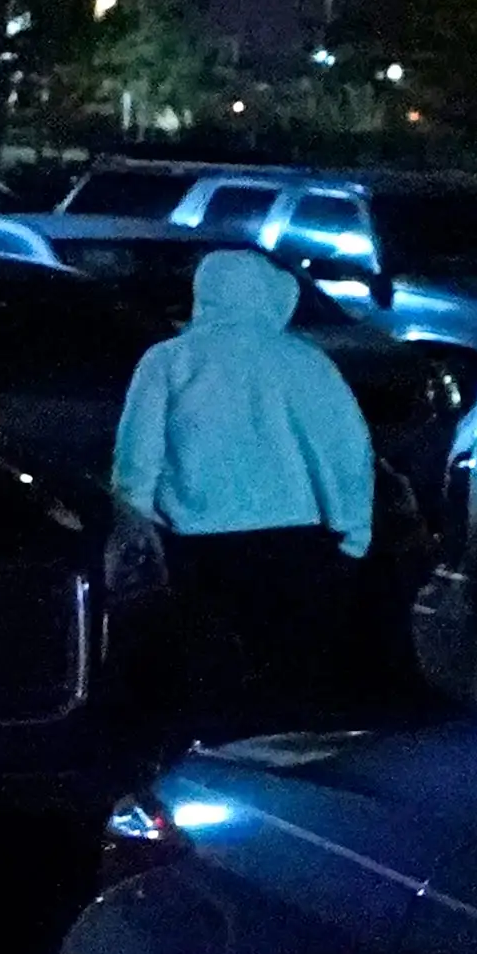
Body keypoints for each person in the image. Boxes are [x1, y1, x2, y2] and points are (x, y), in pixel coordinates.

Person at [112, 247, 378, 734]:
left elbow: (138, 456)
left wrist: (133, 530)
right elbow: (346, 454)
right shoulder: (308, 363)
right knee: (288, 687)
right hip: (298, 546)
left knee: (205, 687)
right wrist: (354, 535)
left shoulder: (170, 361)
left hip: (199, 549)